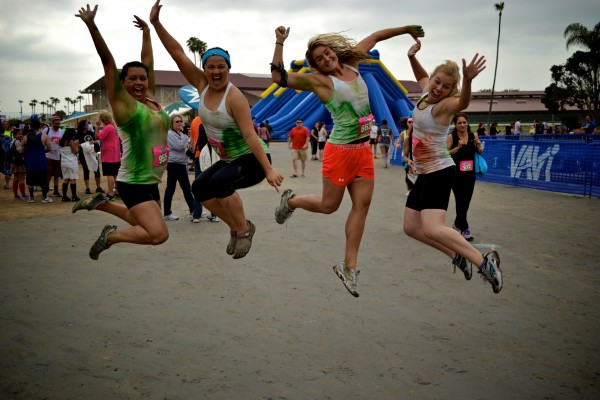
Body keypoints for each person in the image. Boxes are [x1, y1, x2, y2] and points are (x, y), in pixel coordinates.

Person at [271, 24, 424, 297]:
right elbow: (279, 77)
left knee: (361, 207)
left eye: (328, 53)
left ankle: (349, 266)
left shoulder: (353, 62)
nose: (326, 59)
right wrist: (279, 42)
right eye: (319, 59)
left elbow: (375, 36)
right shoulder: (319, 81)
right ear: (316, 65)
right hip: (340, 152)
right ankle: (291, 201)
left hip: (363, 150)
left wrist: (406, 29)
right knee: (329, 206)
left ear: (334, 51)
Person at [150, 0, 283, 259]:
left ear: (228, 68)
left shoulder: (234, 98)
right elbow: (178, 53)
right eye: (210, 66)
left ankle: (243, 229)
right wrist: (156, 24)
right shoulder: (202, 85)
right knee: (199, 188)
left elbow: (249, 135)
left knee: (221, 183)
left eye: (221, 66)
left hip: (253, 159)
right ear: (204, 70)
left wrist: (268, 170)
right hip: (229, 159)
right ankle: (237, 228)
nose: (216, 71)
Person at [402, 39, 502, 294]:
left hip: (440, 171)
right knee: (411, 228)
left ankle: (484, 263)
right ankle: (457, 256)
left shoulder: (445, 105)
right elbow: (422, 76)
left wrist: (467, 81)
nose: (438, 88)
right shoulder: (426, 92)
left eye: (446, 86)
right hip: (425, 172)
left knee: (433, 227)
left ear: (451, 90)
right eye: (437, 81)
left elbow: (462, 104)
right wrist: (412, 57)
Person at [73, 5, 170, 260]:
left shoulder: (151, 100)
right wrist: (92, 26)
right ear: (123, 82)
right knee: (158, 234)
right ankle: (110, 237)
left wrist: (147, 33)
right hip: (134, 180)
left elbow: (148, 62)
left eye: (143, 78)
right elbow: (108, 61)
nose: (139, 82)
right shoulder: (124, 106)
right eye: (132, 79)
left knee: (141, 220)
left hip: (151, 180)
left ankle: (101, 203)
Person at [446, 112, 483, 241]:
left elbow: (480, 151)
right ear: (455, 125)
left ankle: (458, 224)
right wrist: (458, 147)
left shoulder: (473, 135)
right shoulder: (452, 137)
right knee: (460, 200)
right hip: (456, 173)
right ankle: (464, 227)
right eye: (459, 123)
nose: (462, 125)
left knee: (466, 201)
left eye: (464, 122)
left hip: (470, 173)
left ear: (467, 123)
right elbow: (446, 153)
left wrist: (478, 144)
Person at [163, 114, 195, 221]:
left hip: (182, 164)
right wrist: (187, 139)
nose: (179, 123)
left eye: (180, 121)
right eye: (176, 121)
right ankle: (167, 213)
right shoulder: (170, 134)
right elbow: (179, 146)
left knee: (187, 188)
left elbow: (187, 146)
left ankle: (193, 210)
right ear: (171, 123)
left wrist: (187, 139)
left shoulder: (181, 134)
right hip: (173, 164)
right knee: (170, 188)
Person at [23, 118, 52, 203]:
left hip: (30, 162)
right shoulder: (44, 136)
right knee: (43, 180)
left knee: (30, 180)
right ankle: (44, 197)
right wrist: (42, 151)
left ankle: (31, 197)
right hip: (41, 162)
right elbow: (49, 149)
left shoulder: (26, 137)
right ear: (40, 126)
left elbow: (22, 149)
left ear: (31, 126)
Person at [96, 110, 121, 200]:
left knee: (110, 174)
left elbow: (98, 137)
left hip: (108, 156)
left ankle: (110, 193)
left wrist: (97, 127)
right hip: (115, 155)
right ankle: (118, 192)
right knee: (115, 174)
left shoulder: (107, 127)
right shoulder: (113, 127)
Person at [75, 120, 103, 195]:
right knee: (86, 170)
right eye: (87, 124)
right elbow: (76, 143)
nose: (88, 126)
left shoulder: (90, 133)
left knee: (96, 169)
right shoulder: (78, 134)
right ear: (83, 125)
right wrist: (83, 146)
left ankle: (98, 187)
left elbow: (94, 140)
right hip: (83, 154)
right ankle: (87, 188)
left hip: (93, 153)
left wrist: (97, 150)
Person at [58, 128, 81, 202]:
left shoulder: (61, 141)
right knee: (72, 179)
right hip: (71, 162)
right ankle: (74, 196)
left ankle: (64, 196)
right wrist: (77, 146)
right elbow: (75, 152)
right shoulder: (71, 142)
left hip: (64, 162)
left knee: (66, 179)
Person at [396, 117, 416, 195]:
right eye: (409, 122)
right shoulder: (403, 133)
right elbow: (398, 142)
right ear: (406, 123)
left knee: (415, 172)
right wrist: (397, 145)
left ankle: (414, 188)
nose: (411, 123)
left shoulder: (416, 133)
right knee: (407, 172)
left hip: (415, 155)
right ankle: (409, 189)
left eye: (412, 122)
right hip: (405, 156)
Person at [44, 115, 64, 197]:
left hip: (57, 156)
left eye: (59, 123)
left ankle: (56, 190)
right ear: (52, 123)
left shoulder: (61, 131)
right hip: (47, 156)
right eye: (56, 123)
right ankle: (45, 191)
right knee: (48, 174)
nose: (58, 125)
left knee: (57, 175)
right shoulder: (46, 130)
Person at [8, 128, 27, 200]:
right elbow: (20, 151)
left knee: (16, 178)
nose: (21, 135)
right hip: (20, 162)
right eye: (19, 134)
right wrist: (23, 144)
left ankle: (16, 195)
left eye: (22, 134)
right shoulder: (18, 142)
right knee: (21, 179)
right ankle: (23, 195)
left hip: (14, 162)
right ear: (15, 135)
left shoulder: (12, 141)